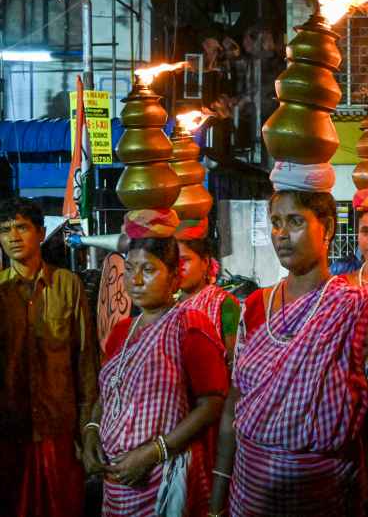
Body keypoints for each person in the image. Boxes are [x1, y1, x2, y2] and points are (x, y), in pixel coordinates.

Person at [209, 163, 368, 516]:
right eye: (276, 222)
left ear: (326, 231)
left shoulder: (359, 316)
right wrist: (217, 498)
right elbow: (234, 405)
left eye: (295, 221)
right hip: (250, 495)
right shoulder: (255, 309)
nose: (281, 233)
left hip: (324, 496)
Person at [81, 210, 228, 515]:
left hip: (165, 475)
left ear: (174, 276)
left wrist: (153, 452)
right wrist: (92, 430)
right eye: (130, 268)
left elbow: (212, 403)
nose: (135, 280)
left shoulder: (190, 325)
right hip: (118, 478)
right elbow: (110, 390)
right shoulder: (123, 330)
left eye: (148, 269)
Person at [0, 197, 99, 517]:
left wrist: (87, 430)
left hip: (59, 429)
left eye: (21, 227)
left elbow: (85, 361)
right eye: (4, 230)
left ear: (41, 234)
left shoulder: (67, 285)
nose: (13, 236)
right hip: (9, 432)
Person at [175, 223, 240, 362]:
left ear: (205, 262)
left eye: (185, 260)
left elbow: (233, 361)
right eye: (174, 262)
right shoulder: (170, 307)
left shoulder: (224, 303)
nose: (178, 268)